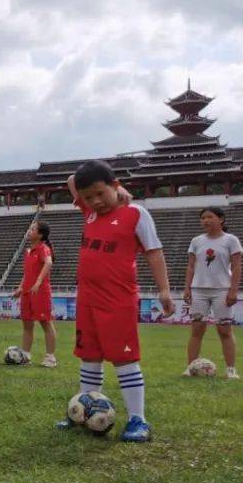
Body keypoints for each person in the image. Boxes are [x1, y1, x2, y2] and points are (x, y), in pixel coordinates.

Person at [56, 160, 174, 442]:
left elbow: (155, 253)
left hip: (117, 299)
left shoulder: (136, 214)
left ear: (115, 186)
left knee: (124, 358)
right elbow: (73, 178)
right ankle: (83, 412)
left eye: (101, 193)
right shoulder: (89, 212)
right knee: (89, 356)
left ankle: (137, 419)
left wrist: (165, 291)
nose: (95, 201)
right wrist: (95, 193)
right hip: (87, 298)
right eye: (88, 198)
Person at [183, 207, 243, 379]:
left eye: (210, 217)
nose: (205, 220)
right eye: (202, 218)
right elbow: (191, 266)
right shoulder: (196, 241)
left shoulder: (231, 240)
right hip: (198, 290)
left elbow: (237, 266)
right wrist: (187, 287)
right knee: (197, 330)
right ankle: (190, 367)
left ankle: (231, 370)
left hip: (222, 290)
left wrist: (233, 290)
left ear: (221, 219)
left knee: (225, 330)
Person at [11, 220, 57, 367]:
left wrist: (37, 282)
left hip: (40, 291)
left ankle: (50, 357)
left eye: (33, 229)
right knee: (27, 324)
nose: (29, 231)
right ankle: (25, 355)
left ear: (40, 234)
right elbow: (26, 273)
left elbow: (48, 263)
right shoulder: (28, 251)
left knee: (45, 323)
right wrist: (20, 287)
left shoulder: (44, 249)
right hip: (27, 292)